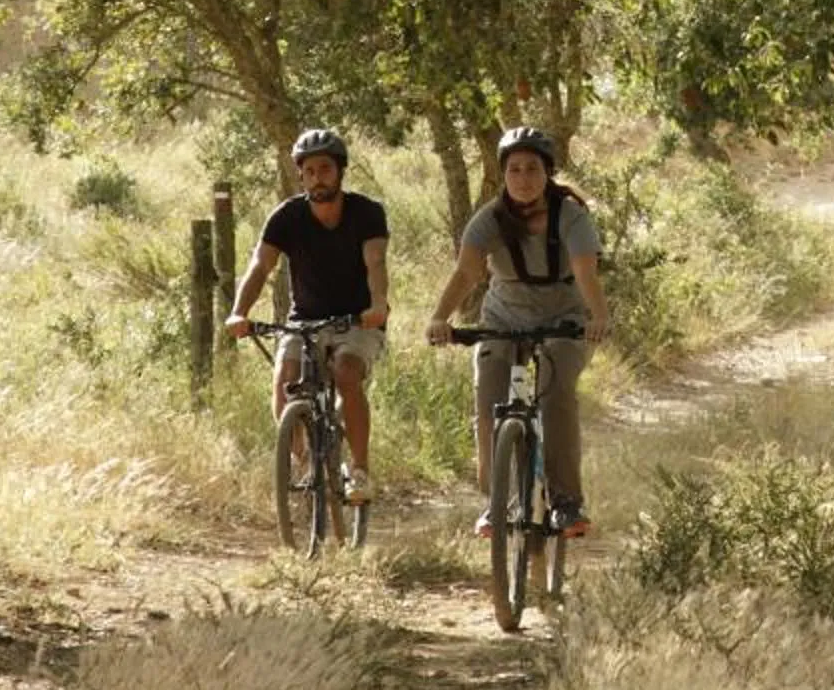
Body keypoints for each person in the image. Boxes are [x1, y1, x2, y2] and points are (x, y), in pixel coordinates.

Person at [426, 124, 609, 539]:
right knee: (489, 395)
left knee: (556, 393)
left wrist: (598, 317)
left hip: (564, 320)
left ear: (548, 173)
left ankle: (566, 503)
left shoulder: (571, 216)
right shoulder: (490, 218)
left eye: (532, 169)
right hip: (503, 319)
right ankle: (497, 503)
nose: (523, 179)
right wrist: (440, 317)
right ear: (503, 174)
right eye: (514, 170)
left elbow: (585, 272)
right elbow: (467, 272)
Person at [225, 127, 390, 503]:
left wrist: (378, 305)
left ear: (341, 171)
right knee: (286, 379)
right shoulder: (287, 216)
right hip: (305, 319)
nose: (318, 178)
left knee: (346, 373)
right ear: (300, 175)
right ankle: (301, 462)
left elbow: (375, 261)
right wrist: (239, 312)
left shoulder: (367, 213)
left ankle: (359, 472)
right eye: (310, 171)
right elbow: (260, 265)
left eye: (325, 169)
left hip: (358, 320)